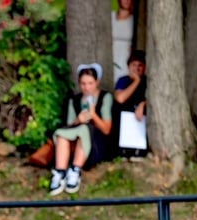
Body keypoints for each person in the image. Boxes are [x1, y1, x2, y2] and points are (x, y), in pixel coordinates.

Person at [49, 64, 113, 196]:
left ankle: (75, 169)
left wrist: (93, 115)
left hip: (97, 144)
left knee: (85, 129)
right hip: (77, 140)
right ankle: (60, 172)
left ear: (97, 82)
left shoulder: (105, 97)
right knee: (62, 134)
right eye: (83, 84)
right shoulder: (75, 100)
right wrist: (78, 119)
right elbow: (69, 126)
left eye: (90, 83)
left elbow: (107, 129)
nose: (87, 87)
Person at [113, 49, 147, 159]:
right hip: (124, 119)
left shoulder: (148, 82)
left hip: (142, 118)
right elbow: (120, 98)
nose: (137, 68)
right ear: (129, 66)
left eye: (140, 65)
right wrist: (136, 81)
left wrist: (143, 104)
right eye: (134, 65)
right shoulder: (123, 80)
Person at [111, 0, 134, 83]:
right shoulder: (111, 16)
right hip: (111, 53)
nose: (127, 1)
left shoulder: (135, 20)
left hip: (126, 55)